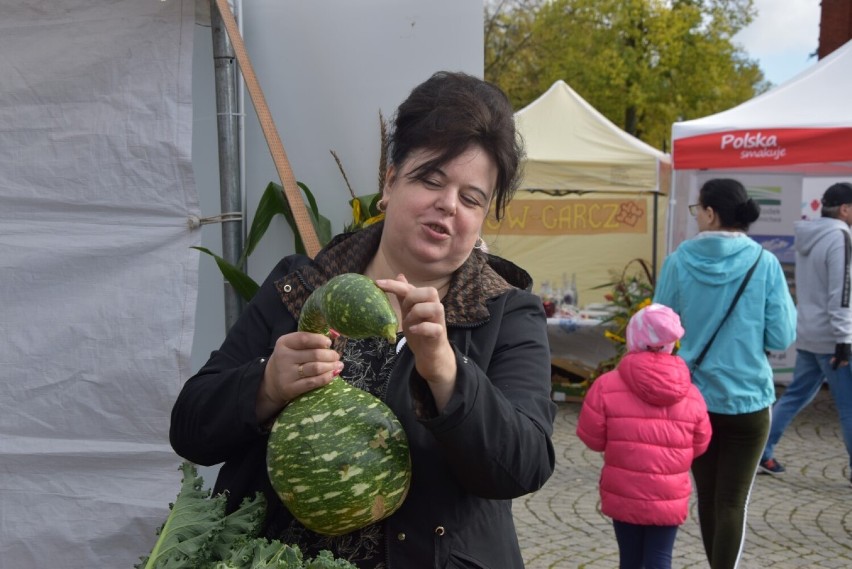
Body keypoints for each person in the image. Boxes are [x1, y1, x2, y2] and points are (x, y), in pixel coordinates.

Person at [169, 71, 557, 569]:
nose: (448, 205)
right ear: (391, 182)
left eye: (471, 198)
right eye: (431, 179)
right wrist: (266, 385)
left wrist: (444, 371)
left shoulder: (506, 312)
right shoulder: (303, 287)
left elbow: (523, 467)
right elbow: (190, 427)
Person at [653, 178, 796, 569]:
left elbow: (658, 329)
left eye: (697, 209)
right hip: (750, 401)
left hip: (693, 399)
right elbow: (783, 334)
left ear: (711, 213)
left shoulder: (678, 261)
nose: (696, 215)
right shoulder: (764, 263)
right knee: (733, 501)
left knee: (709, 495)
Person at [576, 303, 712, 569]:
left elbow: (592, 438)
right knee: (660, 557)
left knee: (629, 559)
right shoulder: (691, 394)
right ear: (671, 344)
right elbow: (700, 443)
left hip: (623, 489)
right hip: (669, 494)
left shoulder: (606, 385)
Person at [759, 181, 852, 484]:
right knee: (848, 407)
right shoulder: (840, 237)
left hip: (810, 332)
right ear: (845, 209)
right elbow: (842, 292)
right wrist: (844, 340)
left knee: (795, 396)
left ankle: (760, 449)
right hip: (831, 338)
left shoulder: (811, 234)